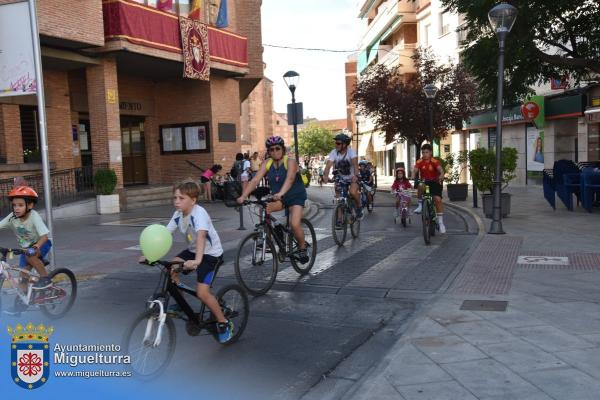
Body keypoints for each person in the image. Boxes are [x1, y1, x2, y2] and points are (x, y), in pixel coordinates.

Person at [157, 180, 232, 343]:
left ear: (193, 200)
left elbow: (201, 237)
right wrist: (149, 254)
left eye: (181, 198)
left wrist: (197, 261)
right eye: (175, 197)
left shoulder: (199, 213)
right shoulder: (178, 215)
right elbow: (164, 234)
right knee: (172, 267)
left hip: (211, 255)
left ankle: (223, 323)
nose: (176, 201)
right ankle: (180, 304)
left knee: (202, 293)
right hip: (193, 251)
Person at [237, 136, 309, 264]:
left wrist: (281, 193)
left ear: (283, 149)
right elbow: (255, 180)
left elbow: (290, 178)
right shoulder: (267, 163)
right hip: (280, 197)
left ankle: (302, 247)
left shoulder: (290, 162)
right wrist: (243, 196)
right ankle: (271, 239)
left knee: (295, 224)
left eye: (277, 148)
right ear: (268, 152)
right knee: (264, 209)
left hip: (296, 196)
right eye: (271, 150)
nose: (275, 152)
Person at [1, 186, 52, 315]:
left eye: (20, 205)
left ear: (30, 205)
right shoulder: (12, 217)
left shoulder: (34, 216)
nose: (16, 208)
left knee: (31, 256)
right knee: (22, 277)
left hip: (42, 243)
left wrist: (35, 248)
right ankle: (20, 306)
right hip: (25, 249)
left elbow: (45, 236)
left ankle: (46, 279)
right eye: (14, 205)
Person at [323, 133, 363, 220]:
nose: (336, 145)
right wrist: (325, 175)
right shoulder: (334, 152)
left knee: (352, 192)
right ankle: (340, 219)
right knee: (338, 197)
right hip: (341, 178)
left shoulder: (351, 153)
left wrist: (356, 176)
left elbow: (356, 166)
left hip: (352, 177)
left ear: (344, 144)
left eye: (338, 143)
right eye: (335, 143)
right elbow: (328, 165)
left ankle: (359, 205)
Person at [411, 143, 446, 233]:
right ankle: (420, 205)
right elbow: (415, 170)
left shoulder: (434, 161)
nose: (424, 154)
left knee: (437, 199)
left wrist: (441, 175)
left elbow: (441, 170)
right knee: (420, 185)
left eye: (426, 152)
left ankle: (441, 223)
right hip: (425, 183)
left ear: (430, 152)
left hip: (435, 182)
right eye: (423, 152)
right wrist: (413, 175)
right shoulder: (419, 161)